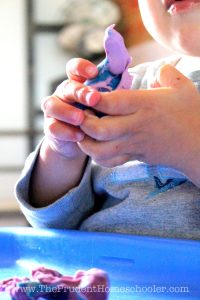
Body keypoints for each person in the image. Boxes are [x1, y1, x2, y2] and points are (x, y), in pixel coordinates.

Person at [16, 0, 200, 239]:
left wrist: (190, 148)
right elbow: (55, 222)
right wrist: (63, 151)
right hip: (95, 270)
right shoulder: (126, 87)